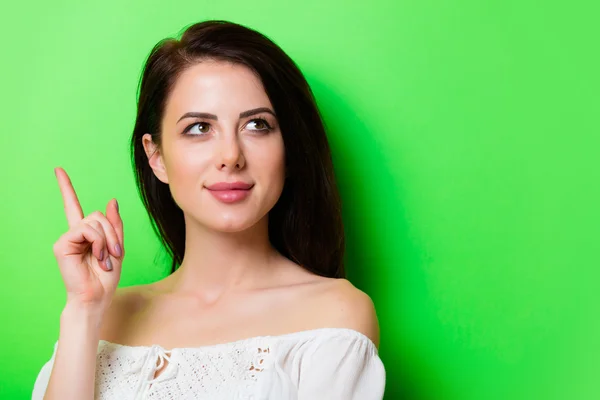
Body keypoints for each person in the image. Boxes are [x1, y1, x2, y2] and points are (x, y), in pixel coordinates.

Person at [32, 19, 385, 399]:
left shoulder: (334, 315)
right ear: (156, 157)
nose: (231, 156)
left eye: (257, 124)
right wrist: (83, 312)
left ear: (288, 148)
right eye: (199, 128)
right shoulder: (103, 315)